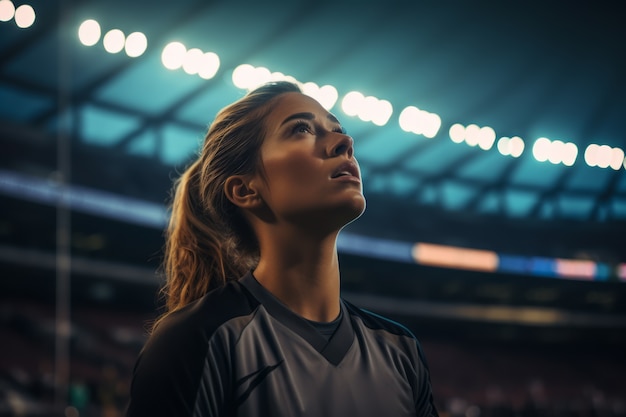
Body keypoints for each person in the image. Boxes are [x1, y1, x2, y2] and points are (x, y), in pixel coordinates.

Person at [126, 81, 439, 417]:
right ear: (245, 189)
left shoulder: (401, 349)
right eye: (301, 129)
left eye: (338, 130)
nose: (345, 142)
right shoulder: (194, 339)